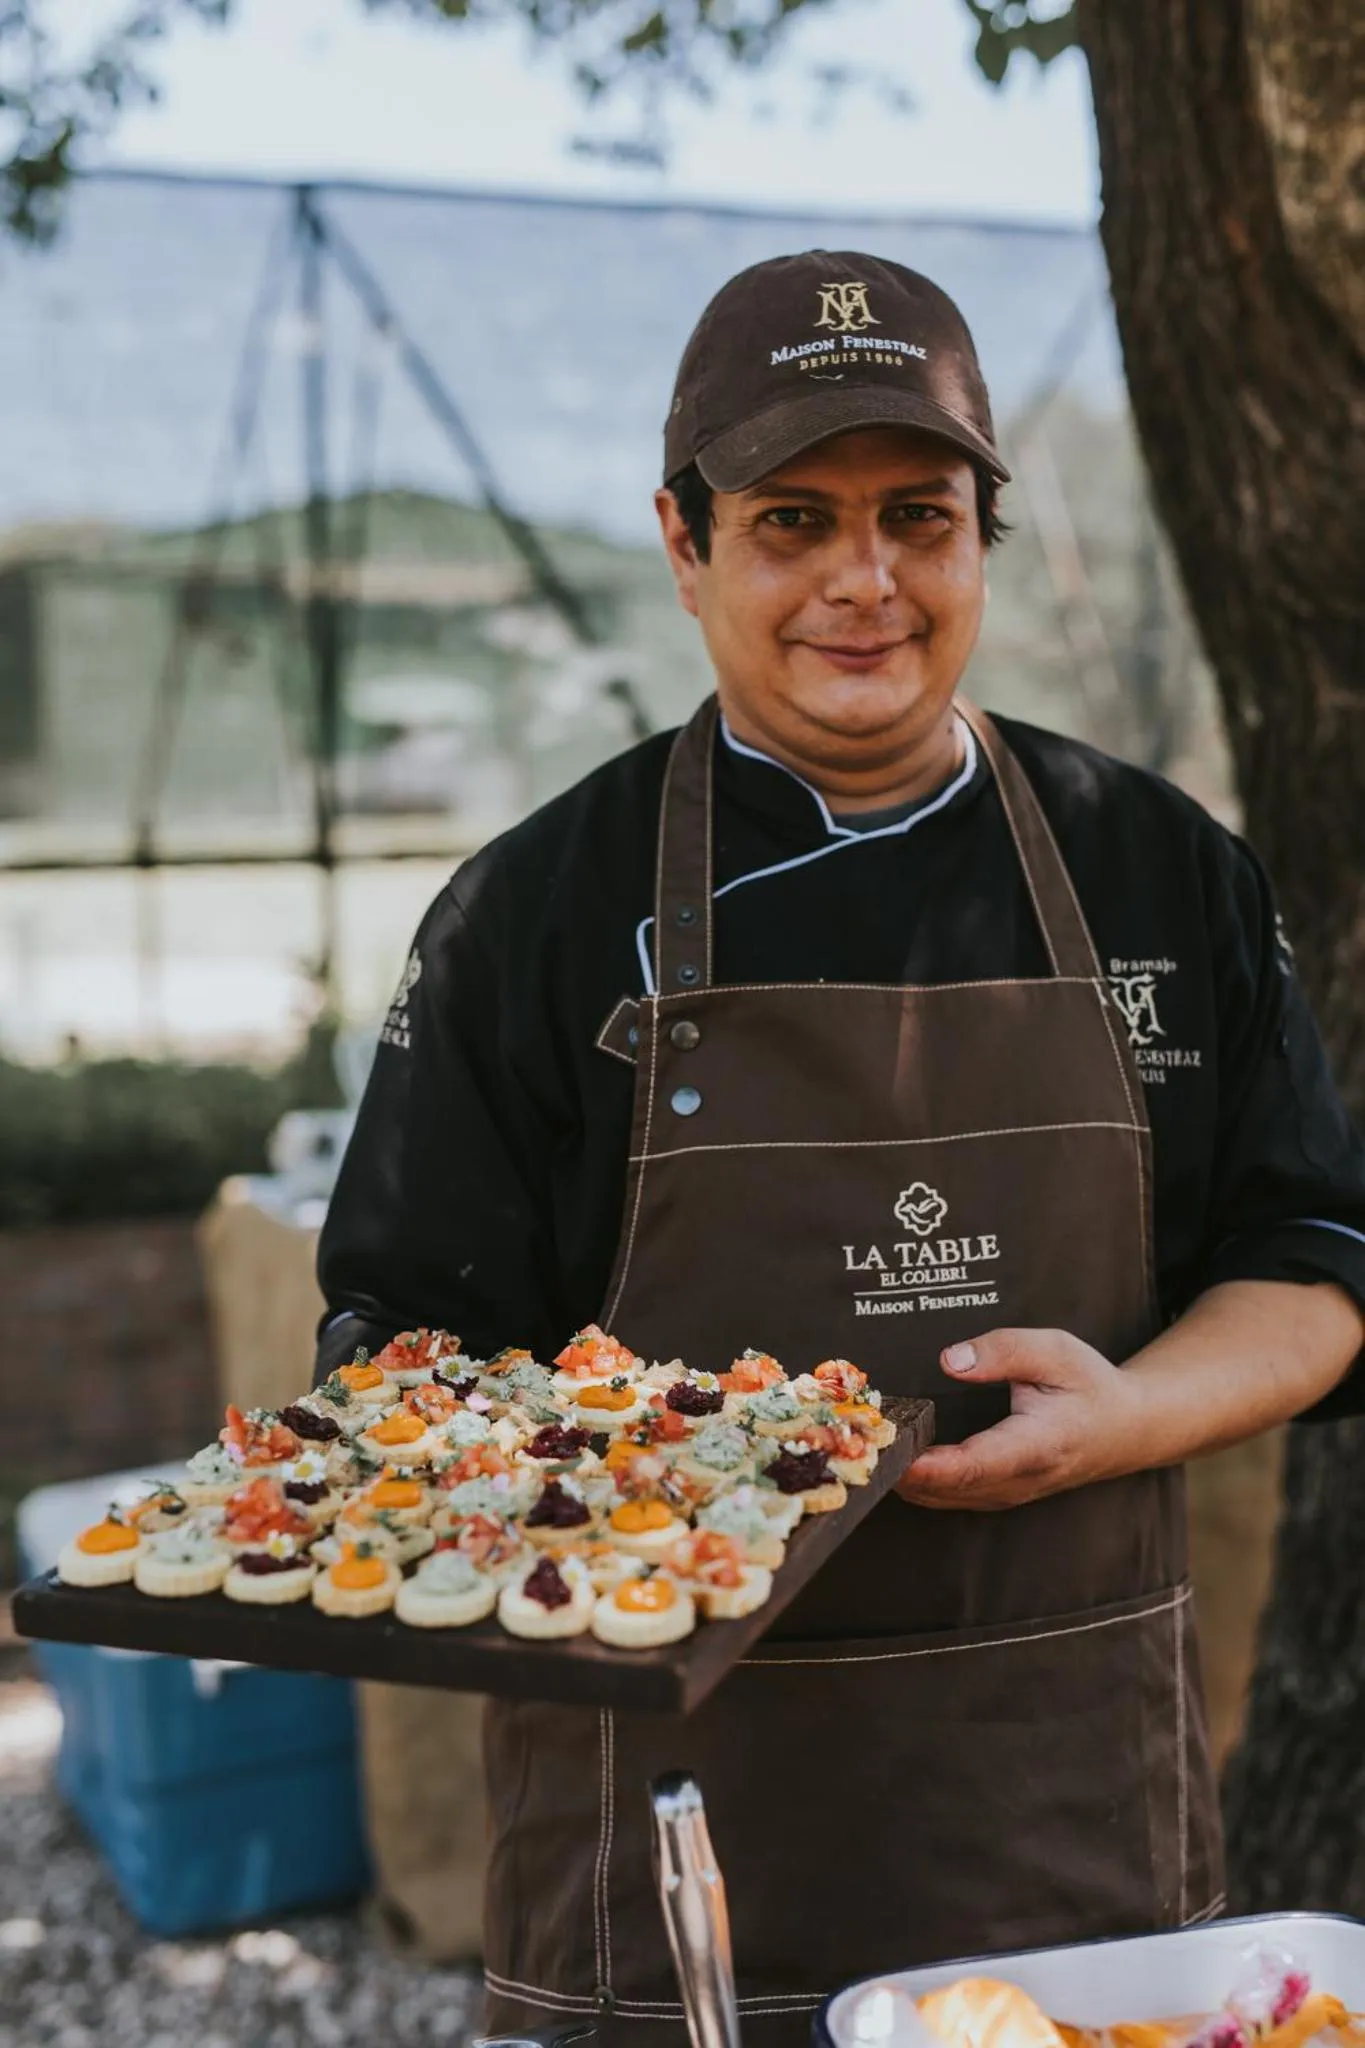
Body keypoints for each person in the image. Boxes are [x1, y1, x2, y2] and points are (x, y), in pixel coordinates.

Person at [316, 251, 1365, 2047]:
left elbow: (1315, 1262)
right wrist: (665, 1476)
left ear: (981, 539)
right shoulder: (532, 920)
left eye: (919, 518)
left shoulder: (1159, 869)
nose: (864, 582)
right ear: (683, 541)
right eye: (792, 519)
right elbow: (393, 1353)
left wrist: (1131, 1411)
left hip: (1066, 1819)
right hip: (666, 1826)